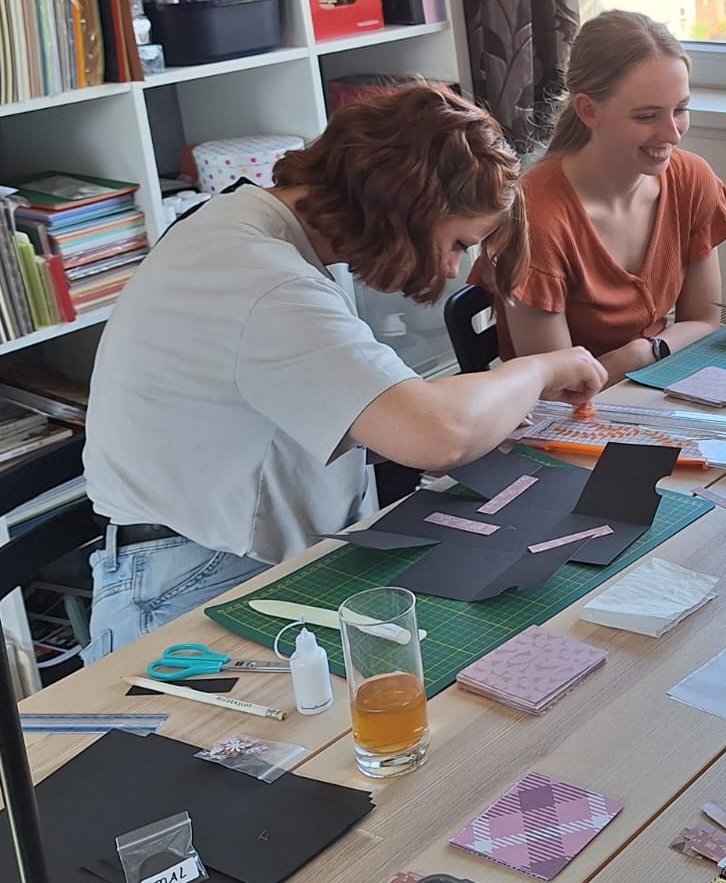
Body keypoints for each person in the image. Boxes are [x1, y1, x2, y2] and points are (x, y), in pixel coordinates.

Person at [83, 85, 607, 662]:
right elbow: (436, 435)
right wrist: (542, 367)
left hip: (232, 552)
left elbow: (343, 409)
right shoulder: (266, 280)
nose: (453, 267)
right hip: (192, 574)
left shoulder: (265, 233)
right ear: (406, 206)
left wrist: (475, 415)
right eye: (458, 243)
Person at [483, 10, 726, 386]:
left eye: (680, 110)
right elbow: (557, 387)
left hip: (650, 381)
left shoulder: (692, 180)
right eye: (647, 116)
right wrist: (635, 357)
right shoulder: (536, 220)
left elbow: (704, 321)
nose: (673, 134)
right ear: (589, 111)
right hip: (567, 410)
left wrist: (648, 351)